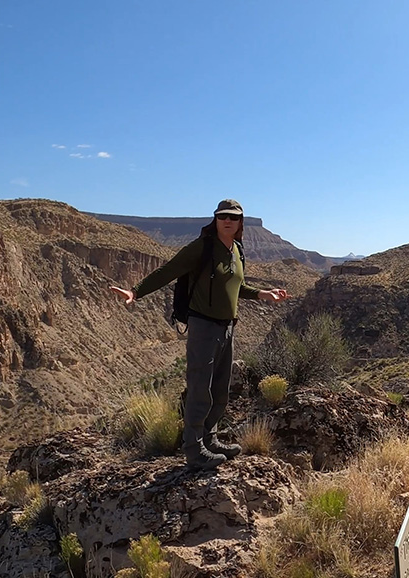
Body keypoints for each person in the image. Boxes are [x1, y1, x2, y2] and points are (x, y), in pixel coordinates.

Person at [110, 199, 289, 469]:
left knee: (220, 390)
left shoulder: (237, 250)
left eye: (233, 217)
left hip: (228, 327)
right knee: (199, 389)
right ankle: (194, 451)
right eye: (221, 216)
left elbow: (235, 286)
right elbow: (168, 270)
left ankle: (210, 438)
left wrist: (263, 294)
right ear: (215, 220)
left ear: (241, 222)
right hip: (203, 326)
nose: (227, 220)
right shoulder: (202, 247)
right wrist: (136, 291)